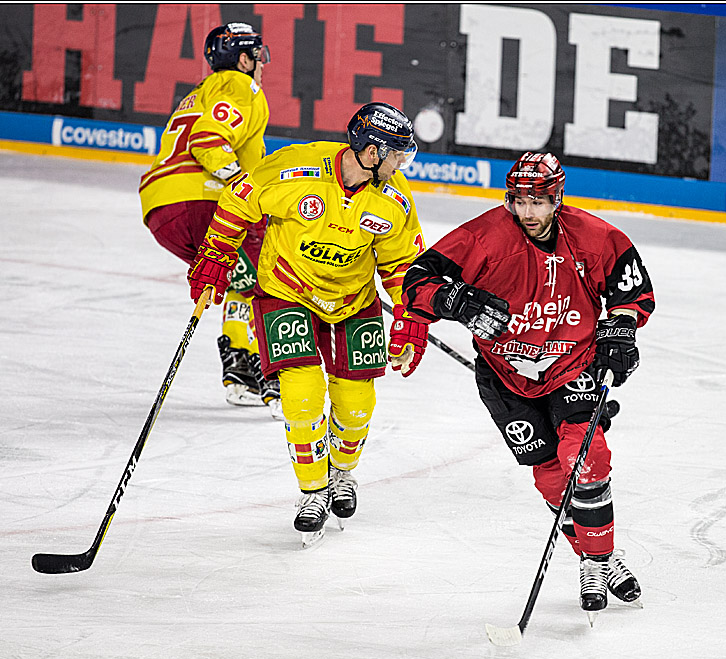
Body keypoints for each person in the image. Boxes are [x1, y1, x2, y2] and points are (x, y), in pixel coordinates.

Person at [401, 151, 655, 616]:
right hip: (503, 376)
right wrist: (459, 301)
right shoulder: (484, 237)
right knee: (552, 476)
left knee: (586, 456)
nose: (528, 212)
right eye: (519, 201)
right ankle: (598, 554)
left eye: (538, 201)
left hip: (573, 366)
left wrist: (620, 330)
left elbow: (631, 291)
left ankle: (597, 560)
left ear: (557, 198)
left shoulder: (594, 237)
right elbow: (417, 281)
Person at [186, 102, 430, 546]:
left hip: (353, 301)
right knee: (302, 396)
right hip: (286, 291)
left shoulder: (395, 199)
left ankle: (342, 473)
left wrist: (410, 318)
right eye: (396, 154)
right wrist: (217, 253)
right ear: (371, 152)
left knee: (356, 404)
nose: (401, 163)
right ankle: (313, 491)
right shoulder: (296, 168)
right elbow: (240, 198)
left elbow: (401, 265)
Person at [139, 22, 279, 417]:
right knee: (272, 276)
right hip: (203, 200)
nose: (262, 66)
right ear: (244, 59)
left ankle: (241, 374)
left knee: (240, 278)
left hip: (161, 211)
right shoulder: (239, 85)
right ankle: (273, 374)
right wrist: (241, 186)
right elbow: (207, 140)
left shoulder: (199, 92)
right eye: (258, 57)